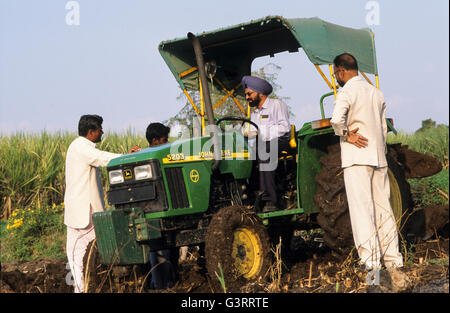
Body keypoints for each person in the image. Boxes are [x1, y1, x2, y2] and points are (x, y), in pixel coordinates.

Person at [329, 53, 406, 277]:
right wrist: (379, 153)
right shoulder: (375, 92)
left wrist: (346, 134)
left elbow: (336, 120)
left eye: (336, 74)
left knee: (362, 212)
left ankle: (372, 268)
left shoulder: (346, 92)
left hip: (356, 159)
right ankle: (394, 263)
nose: (337, 77)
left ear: (341, 71)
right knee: (384, 211)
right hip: (378, 160)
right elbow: (383, 129)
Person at [64, 114, 139, 293]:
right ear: (91, 132)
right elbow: (103, 158)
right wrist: (127, 158)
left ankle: (85, 288)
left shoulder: (80, 146)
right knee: (82, 256)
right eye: (100, 129)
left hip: (82, 211)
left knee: (80, 256)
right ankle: (84, 289)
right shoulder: (81, 147)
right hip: (83, 212)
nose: (102, 132)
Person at [241, 75, 290, 212]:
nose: (247, 97)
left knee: (265, 152)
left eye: (249, 94)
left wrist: (260, 133)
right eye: (246, 94)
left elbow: (284, 128)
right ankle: (249, 198)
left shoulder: (276, 105)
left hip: (280, 141)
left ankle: (270, 200)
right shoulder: (254, 113)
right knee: (244, 157)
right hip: (261, 144)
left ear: (260, 93)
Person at [145, 122, 179, 290]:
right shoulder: (152, 158)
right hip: (157, 211)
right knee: (160, 250)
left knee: (170, 251)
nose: (167, 143)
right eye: (165, 139)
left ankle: (170, 282)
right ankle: (160, 285)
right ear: (155, 140)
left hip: (167, 211)